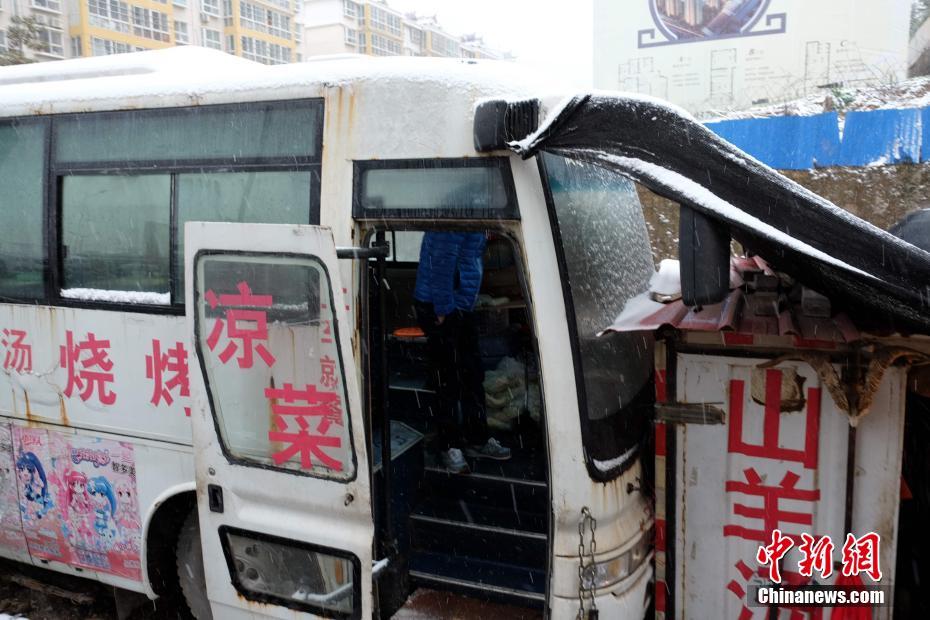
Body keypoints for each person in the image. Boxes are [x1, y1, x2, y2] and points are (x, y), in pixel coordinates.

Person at [414, 231, 511, 473]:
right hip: (441, 304)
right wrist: (443, 308)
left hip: (460, 303)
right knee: (447, 378)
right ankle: (449, 446)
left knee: (472, 373)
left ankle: (477, 439)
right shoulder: (455, 211)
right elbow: (442, 262)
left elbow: (469, 255)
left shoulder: (475, 212)